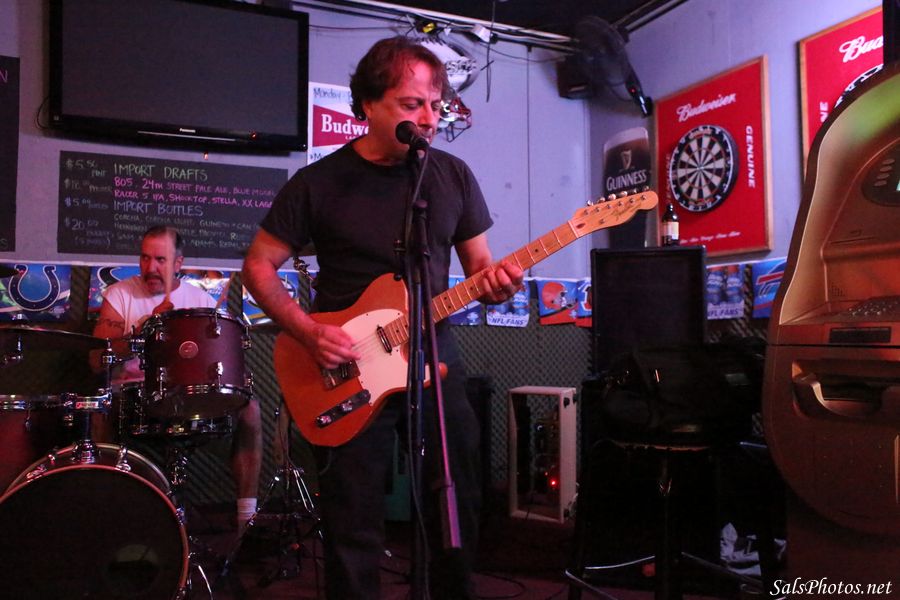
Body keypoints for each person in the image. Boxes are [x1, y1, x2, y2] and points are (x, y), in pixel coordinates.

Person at [242, 36, 523, 599]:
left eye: (436, 106)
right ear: (368, 105)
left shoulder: (454, 176)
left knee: (456, 504)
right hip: (346, 367)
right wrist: (307, 331)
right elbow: (258, 266)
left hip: (434, 360)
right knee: (353, 521)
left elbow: (481, 269)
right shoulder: (318, 183)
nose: (429, 119)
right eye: (412, 104)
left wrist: (499, 286)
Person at [92, 225, 262, 531]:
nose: (150, 267)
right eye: (145, 258)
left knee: (250, 407)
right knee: (100, 407)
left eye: (160, 260)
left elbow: (220, 361)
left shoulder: (201, 301)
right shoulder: (120, 294)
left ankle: (246, 518)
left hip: (189, 394)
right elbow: (96, 360)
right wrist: (144, 326)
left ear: (178, 263)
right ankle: (104, 513)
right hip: (133, 395)